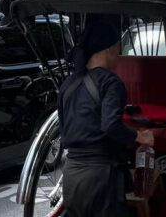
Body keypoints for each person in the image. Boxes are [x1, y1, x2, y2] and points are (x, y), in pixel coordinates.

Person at [59, 18, 154, 217]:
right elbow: (111, 125)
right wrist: (139, 136)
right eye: (118, 48)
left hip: (71, 175)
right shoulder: (110, 82)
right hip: (100, 176)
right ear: (108, 49)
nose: (119, 55)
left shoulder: (68, 84)